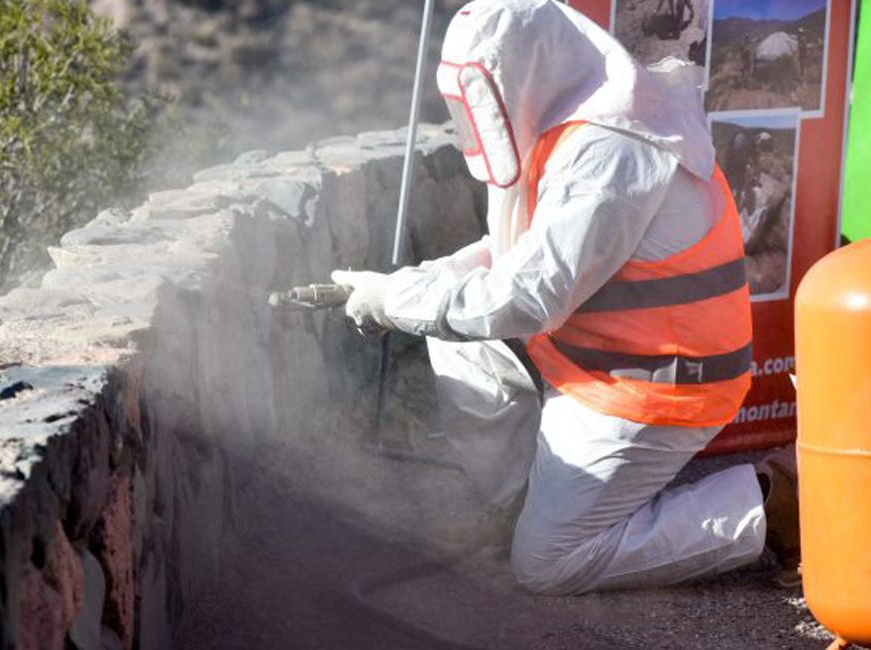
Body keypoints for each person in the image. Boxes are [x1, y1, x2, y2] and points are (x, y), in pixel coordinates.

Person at [331, 0, 800, 595]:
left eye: (480, 91)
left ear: (523, 70)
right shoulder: (571, 118)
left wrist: (394, 301)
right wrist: (411, 285)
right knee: (456, 337)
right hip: (602, 360)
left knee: (549, 562)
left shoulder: (614, 146)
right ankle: (522, 508)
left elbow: (532, 293)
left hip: (658, 386)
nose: (472, 111)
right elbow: (517, 252)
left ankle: (776, 500)